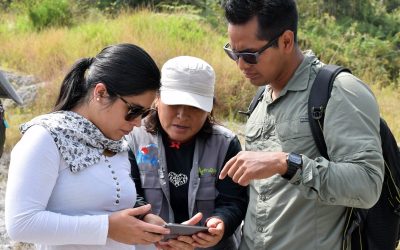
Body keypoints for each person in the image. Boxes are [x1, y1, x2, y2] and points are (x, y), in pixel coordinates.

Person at [218, 1, 384, 250]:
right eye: (234, 53)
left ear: (286, 41)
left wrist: (286, 163)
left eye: (250, 55)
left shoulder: (339, 91)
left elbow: (367, 184)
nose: (241, 65)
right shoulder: (260, 100)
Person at [5, 43, 171, 250]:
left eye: (145, 113)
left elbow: (113, 215)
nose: (138, 122)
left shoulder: (116, 143)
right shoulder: (45, 137)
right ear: (100, 93)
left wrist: (147, 226)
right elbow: (21, 224)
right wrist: (106, 227)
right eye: (133, 110)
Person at [126, 56, 248, 250]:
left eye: (194, 107)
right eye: (174, 104)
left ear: (209, 109)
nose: (182, 115)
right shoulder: (132, 139)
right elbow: (126, 193)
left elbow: (234, 201)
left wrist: (221, 222)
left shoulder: (226, 145)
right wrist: (146, 218)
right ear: (157, 99)